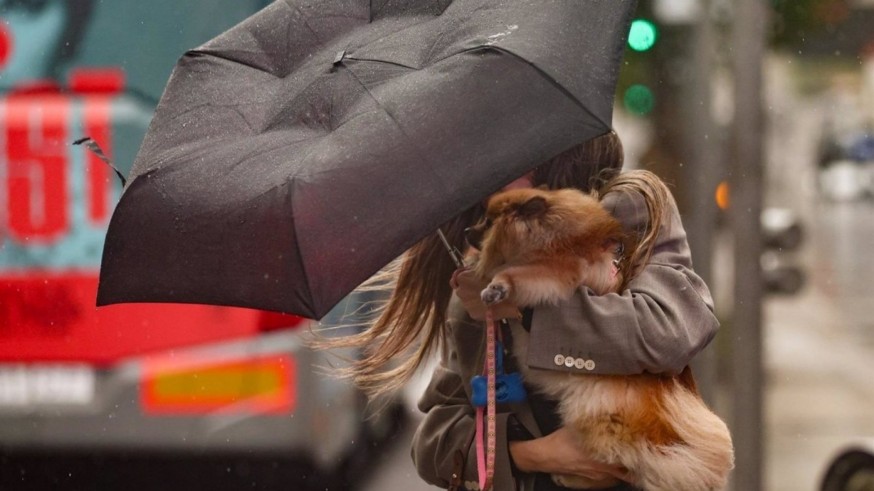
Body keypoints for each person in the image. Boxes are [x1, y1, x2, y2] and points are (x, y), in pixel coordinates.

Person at [318, 130, 719, 490]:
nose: (494, 182)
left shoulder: (628, 207)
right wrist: (536, 454)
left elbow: (671, 332)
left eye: (512, 164)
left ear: (554, 159)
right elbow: (434, 441)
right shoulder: (486, 263)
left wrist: (527, 306)